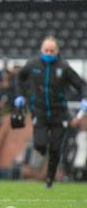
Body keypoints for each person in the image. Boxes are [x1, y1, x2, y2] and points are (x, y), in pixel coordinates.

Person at [14, 37, 87, 188]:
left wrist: (84, 98)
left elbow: (80, 84)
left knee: (55, 148)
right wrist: (20, 95)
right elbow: (20, 78)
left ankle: (50, 178)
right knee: (40, 145)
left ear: (57, 51)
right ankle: (42, 156)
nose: (49, 53)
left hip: (59, 114)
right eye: (46, 50)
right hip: (39, 112)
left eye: (52, 51)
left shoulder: (64, 66)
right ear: (41, 50)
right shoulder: (32, 64)